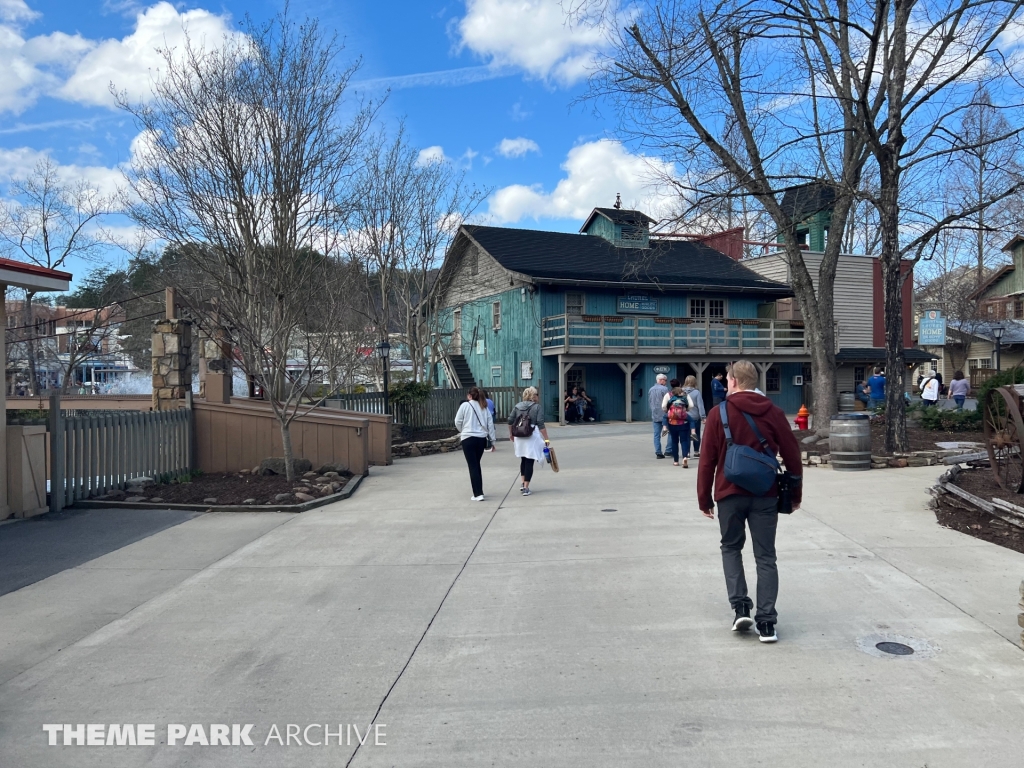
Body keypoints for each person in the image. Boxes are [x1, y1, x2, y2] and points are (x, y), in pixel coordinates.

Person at [697, 359, 803, 644]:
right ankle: (767, 623)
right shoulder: (774, 412)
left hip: (728, 493)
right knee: (766, 556)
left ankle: (740, 607)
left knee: (731, 547)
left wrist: (704, 498)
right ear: (754, 382)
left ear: (732, 381)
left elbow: (706, 461)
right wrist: (795, 494)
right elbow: (792, 454)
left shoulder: (719, 412)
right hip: (765, 493)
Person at [454, 387, 496, 501]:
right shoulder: (484, 407)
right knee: (476, 464)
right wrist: (492, 440)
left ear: (470, 396)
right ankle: (479, 491)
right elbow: (490, 424)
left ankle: (478, 494)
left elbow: (457, 421)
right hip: (481, 439)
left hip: (468, 438)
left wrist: (462, 430)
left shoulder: (465, 405)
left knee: (472, 466)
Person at [508, 386, 551, 496]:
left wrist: (511, 433)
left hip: (519, 434)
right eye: (536, 394)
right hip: (531, 434)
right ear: (534, 396)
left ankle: (523, 483)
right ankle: (526, 487)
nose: (537, 396)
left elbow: (510, 420)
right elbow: (541, 424)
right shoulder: (537, 407)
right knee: (529, 461)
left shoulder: (517, 406)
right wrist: (546, 438)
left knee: (523, 459)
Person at [662, 379, 692, 467]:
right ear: (680, 385)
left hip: (672, 422)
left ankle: (675, 461)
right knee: (684, 440)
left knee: (674, 441)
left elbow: (663, 406)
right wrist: (685, 410)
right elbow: (691, 405)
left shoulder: (668, 394)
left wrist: (669, 412)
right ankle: (685, 457)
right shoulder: (685, 394)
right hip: (684, 421)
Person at [681, 375, 706, 456]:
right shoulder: (696, 392)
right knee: (696, 434)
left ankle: (687, 452)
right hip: (695, 417)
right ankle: (696, 451)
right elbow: (700, 405)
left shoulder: (681, 392)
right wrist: (703, 417)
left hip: (683, 416)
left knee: (685, 435)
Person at [648, 373, 671, 458]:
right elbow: (668, 402)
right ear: (661, 380)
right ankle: (668, 450)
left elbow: (650, 402)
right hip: (665, 414)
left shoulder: (651, 389)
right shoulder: (665, 389)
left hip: (655, 414)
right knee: (671, 432)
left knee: (656, 435)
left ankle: (658, 452)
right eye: (665, 380)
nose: (666, 382)